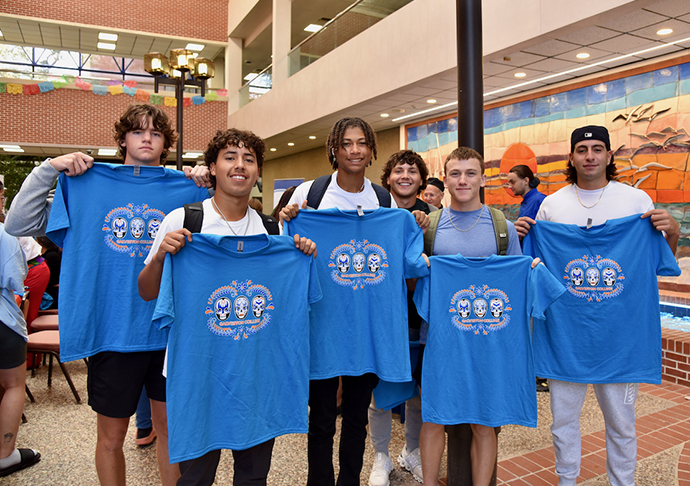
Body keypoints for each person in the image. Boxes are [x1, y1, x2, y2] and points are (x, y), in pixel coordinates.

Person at [4, 103, 210, 486]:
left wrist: (207, 176)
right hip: (111, 330)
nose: (146, 138)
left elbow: (230, 217)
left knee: (172, 433)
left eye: (155, 132)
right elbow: (17, 223)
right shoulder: (85, 184)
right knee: (112, 437)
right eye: (137, 131)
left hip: (169, 329)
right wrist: (50, 168)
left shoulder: (186, 191)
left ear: (165, 143)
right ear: (122, 140)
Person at [138, 128, 316, 486]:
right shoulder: (184, 221)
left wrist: (302, 254)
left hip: (256, 374)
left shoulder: (271, 230)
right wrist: (159, 256)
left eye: (249, 159)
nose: (240, 165)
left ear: (257, 173)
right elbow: (146, 292)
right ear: (213, 168)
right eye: (230, 157)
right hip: (197, 374)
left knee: (253, 476)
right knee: (195, 476)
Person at [515, 125, 681, 486]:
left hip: (622, 340)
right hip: (564, 337)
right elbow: (532, 274)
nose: (589, 155)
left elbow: (660, 262)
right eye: (582, 149)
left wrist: (673, 232)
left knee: (622, 424)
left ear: (609, 156)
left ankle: (624, 483)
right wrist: (521, 240)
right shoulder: (551, 207)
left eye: (597, 148)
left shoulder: (636, 203)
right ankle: (566, 480)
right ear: (571, 158)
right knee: (562, 423)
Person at [281, 117, 429, 486]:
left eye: (362, 143)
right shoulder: (310, 194)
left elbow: (403, 245)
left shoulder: (382, 199)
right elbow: (285, 251)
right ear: (334, 148)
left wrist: (416, 224)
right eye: (346, 143)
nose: (354, 150)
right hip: (324, 324)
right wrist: (288, 223)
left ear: (371, 149)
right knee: (320, 419)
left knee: (356, 416)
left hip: (368, 328)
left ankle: (349, 480)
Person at [419, 147, 522, 486]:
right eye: (455, 173)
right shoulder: (430, 227)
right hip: (441, 340)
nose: (462, 180)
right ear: (445, 178)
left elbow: (517, 284)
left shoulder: (501, 228)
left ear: (482, 178)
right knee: (434, 418)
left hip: (490, 342)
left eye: (470, 173)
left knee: (484, 421)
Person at [367, 150, 434, 486]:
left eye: (412, 170)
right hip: (381, 318)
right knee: (380, 394)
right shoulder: (373, 213)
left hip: (420, 319)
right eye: (398, 170)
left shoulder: (435, 218)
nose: (405, 175)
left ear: (421, 179)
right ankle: (380, 456)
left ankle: (412, 450)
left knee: (419, 392)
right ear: (388, 178)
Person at [0, 224, 41, 478]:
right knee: (13, 384)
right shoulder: (4, 234)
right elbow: (16, 278)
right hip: (3, 320)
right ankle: (5, 454)